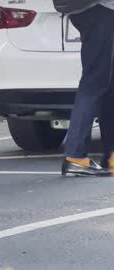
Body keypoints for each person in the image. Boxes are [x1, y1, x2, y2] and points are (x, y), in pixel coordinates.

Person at [56, 1, 114, 176]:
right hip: (100, 9)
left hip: (86, 8)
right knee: (94, 81)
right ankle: (76, 156)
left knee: (106, 81)